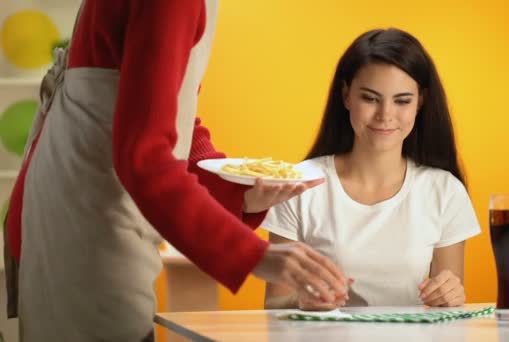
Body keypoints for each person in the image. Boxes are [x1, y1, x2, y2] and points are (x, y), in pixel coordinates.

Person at [3, 1, 348, 340]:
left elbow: (158, 113)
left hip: (67, 211)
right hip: (88, 234)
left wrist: (236, 192)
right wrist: (253, 254)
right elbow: (144, 158)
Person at [263, 28, 481, 311]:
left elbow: (446, 306)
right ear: (346, 96)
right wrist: (301, 300)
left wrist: (449, 295)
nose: (385, 115)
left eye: (402, 101)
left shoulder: (444, 190)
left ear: (421, 103)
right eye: (370, 98)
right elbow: (274, 304)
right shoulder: (299, 185)